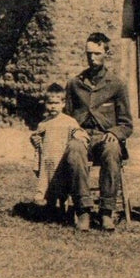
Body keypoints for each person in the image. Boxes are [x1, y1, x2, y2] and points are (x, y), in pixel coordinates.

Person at [61, 32, 134, 232]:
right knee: (74, 150)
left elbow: (127, 123)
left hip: (105, 137)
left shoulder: (116, 84)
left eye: (97, 53)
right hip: (82, 136)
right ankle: (83, 210)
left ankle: (106, 212)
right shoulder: (74, 84)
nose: (92, 58)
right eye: (89, 54)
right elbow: (65, 117)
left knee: (112, 150)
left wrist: (116, 133)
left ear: (107, 54)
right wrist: (74, 130)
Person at [30, 83, 88, 217]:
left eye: (56, 103)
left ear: (63, 104)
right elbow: (36, 137)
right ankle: (48, 202)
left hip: (62, 158)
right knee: (47, 175)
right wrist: (35, 140)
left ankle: (60, 205)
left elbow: (78, 132)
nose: (53, 106)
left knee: (61, 178)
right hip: (47, 158)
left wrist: (80, 137)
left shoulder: (68, 121)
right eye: (49, 103)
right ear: (45, 104)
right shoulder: (43, 123)